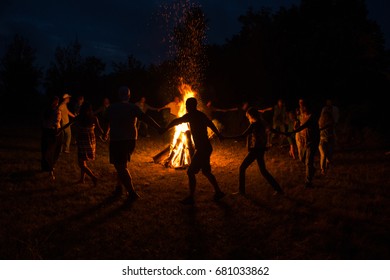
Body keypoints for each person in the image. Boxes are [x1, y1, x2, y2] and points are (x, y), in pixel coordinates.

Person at [160, 97, 225, 205]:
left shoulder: (191, 115)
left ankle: (191, 197)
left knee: (190, 172)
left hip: (203, 149)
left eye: (187, 105)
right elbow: (211, 124)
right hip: (206, 147)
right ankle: (219, 192)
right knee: (206, 172)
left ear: (190, 106)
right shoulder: (200, 115)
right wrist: (219, 135)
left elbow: (176, 121)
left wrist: (164, 129)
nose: (185, 107)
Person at [103, 86, 161, 202]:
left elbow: (106, 120)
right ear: (129, 96)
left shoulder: (111, 108)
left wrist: (106, 132)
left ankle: (132, 192)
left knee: (120, 167)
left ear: (119, 96)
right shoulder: (133, 107)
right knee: (122, 165)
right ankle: (119, 187)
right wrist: (158, 128)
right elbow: (145, 118)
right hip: (130, 140)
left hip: (117, 140)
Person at [224, 107, 283, 196]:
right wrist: (285, 134)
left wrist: (226, 137)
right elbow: (272, 129)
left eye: (248, 116)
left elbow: (242, 136)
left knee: (242, 168)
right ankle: (278, 189)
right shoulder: (262, 122)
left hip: (256, 150)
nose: (248, 118)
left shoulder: (254, 124)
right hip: (260, 149)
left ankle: (241, 191)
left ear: (251, 116)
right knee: (263, 171)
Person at [286, 100, 320, 188]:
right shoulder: (300, 115)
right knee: (302, 158)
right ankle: (311, 169)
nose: (300, 107)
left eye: (302, 106)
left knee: (308, 161)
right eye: (300, 105)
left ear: (306, 107)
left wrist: (293, 131)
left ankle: (308, 182)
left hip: (312, 141)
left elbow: (304, 125)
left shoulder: (312, 116)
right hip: (303, 141)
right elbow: (297, 123)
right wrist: (295, 124)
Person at [74, 102, 104, 185]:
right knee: (83, 161)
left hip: (83, 141)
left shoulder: (79, 118)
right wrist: (105, 134)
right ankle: (82, 179)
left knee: (81, 163)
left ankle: (93, 177)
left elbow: (75, 128)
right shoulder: (93, 118)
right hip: (90, 141)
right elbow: (100, 130)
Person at [41, 96, 62, 180]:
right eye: (56, 102)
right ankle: (50, 170)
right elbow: (56, 122)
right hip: (53, 132)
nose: (57, 103)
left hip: (46, 131)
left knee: (47, 150)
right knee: (51, 151)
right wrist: (57, 131)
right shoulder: (56, 111)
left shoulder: (46, 110)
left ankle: (47, 167)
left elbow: (43, 120)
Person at [318, 109, 335, 175]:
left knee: (329, 157)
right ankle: (323, 169)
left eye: (326, 115)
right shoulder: (320, 120)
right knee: (323, 154)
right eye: (324, 115)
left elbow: (328, 125)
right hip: (321, 140)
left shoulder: (331, 121)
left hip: (330, 140)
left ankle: (327, 164)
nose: (325, 116)